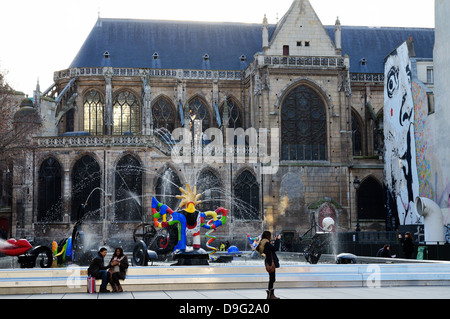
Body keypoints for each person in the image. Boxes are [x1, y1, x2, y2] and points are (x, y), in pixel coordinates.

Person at [256, 231, 281, 299]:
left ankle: (270, 295)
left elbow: (271, 248)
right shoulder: (266, 243)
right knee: (272, 278)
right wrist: (278, 240)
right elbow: (276, 248)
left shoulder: (264, 242)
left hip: (268, 261)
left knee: (272, 278)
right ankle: (271, 295)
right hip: (270, 262)